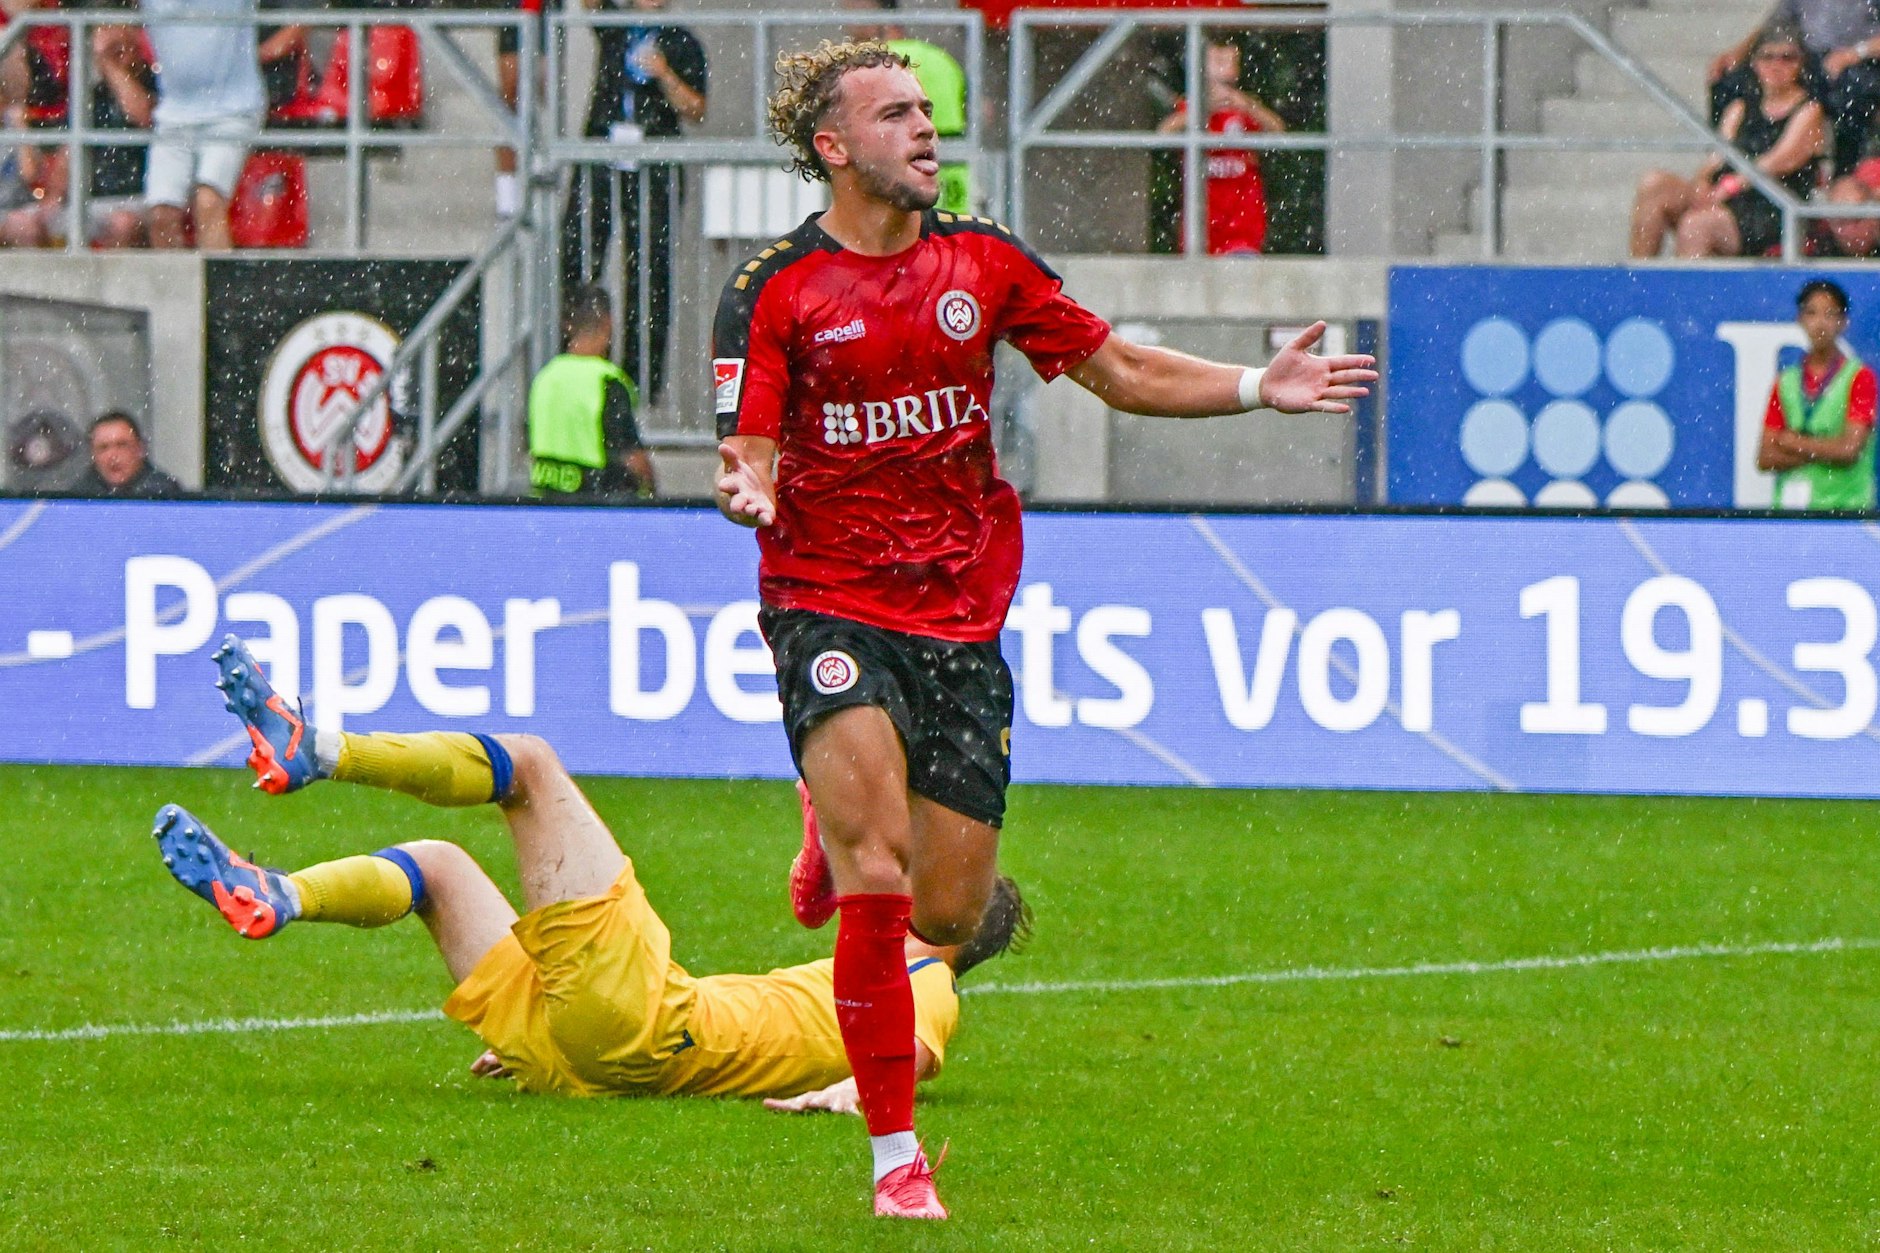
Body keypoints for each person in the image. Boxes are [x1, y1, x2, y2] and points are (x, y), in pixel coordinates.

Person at [711, 40, 1374, 1219]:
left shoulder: (983, 259)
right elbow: (747, 448)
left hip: (958, 611)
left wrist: (1249, 386)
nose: (925, 128)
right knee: (875, 875)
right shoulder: (774, 288)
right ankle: (894, 1157)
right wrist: (748, 486)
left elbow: (1115, 366)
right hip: (827, 593)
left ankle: (838, 807)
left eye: (926, 108)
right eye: (895, 113)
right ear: (832, 146)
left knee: (948, 912)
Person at [152, 637, 1027, 1111]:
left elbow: (913, 1056)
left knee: (530, 766)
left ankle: (320, 748)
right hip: (593, 1054)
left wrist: (840, 1099)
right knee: (436, 868)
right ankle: (280, 894)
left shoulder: (927, 985)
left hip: (648, 1025)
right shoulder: (873, 966)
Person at [561, 0, 706, 404]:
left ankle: (639, 381)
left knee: (648, 270)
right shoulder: (616, 26)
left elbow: (696, 108)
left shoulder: (680, 41)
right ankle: (575, 357)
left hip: (654, 166)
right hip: (604, 159)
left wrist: (665, 74)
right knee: (578, 253)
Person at [1632, 24, 1826, 259]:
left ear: (1800, 64)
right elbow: (1717, 158)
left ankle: (1686, 283)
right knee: (1654, 185)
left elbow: (1779, 161)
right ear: (1754, 63)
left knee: (1697, 225)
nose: (1776, 65)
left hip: (1771, 206)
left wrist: (1729, 187)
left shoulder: (1809, 110)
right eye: (1767, 57)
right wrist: (1702, 183)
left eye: (1787, 58)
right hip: (1727, 197)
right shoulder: (1740, 108)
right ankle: (1638, 274)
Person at [141, 0, 265, 250]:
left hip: (233, 111)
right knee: (161, 215)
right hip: (173, 114)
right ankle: (175, 278)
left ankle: (220, 278)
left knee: (209, 203)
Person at [1710, 0, 1880, 173]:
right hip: (1809, 57)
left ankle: (1844, 171)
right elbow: (1773, 24)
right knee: (1728, 81)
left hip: (1862, 60)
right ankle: (1721, 164)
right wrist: (1738, 52)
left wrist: (1855, 53)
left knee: (1852, 92)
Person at [1155, 36, 1286, 256]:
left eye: (1232, 59)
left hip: (1242, 232)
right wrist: (1203, 110)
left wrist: (1249, 107)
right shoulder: (1191, 108)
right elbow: (1164, 133)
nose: (1228, 65)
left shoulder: (1245, 107)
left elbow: (1278, 131)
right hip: (1200, 230)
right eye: (1218, 59)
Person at [843, 0, 971, 215]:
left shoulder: (880, 64)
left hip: (907, 168)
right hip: (953, 167)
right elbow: (977, 109)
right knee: (953, 229)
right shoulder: (940, 57)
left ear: (878, 21)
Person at [526, 283, 655, 498]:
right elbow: (633, 458)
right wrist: (651, 491)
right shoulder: (607, 380)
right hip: (594, 504)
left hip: (546, 503)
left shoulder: (544, 378)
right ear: (608, 323)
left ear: (568, 325)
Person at [1758, 279, 1877, 509]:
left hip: (1845, 511)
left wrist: (1793, 442)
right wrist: (1824, 450)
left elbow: (1849, 451)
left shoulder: (1860, 377)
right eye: (1812, 313)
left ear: (1843, 322)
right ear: (1800, 319)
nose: (1820, 323)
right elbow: (1765, 457)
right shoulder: (1786, 382)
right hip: (1792, 514)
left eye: (1830, 314)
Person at [76, 411, 182, 496]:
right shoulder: (78, 496)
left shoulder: (164, 493)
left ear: (140, 449)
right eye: (103, 448)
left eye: (122, 445)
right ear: (92, 454)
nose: (113, 456)